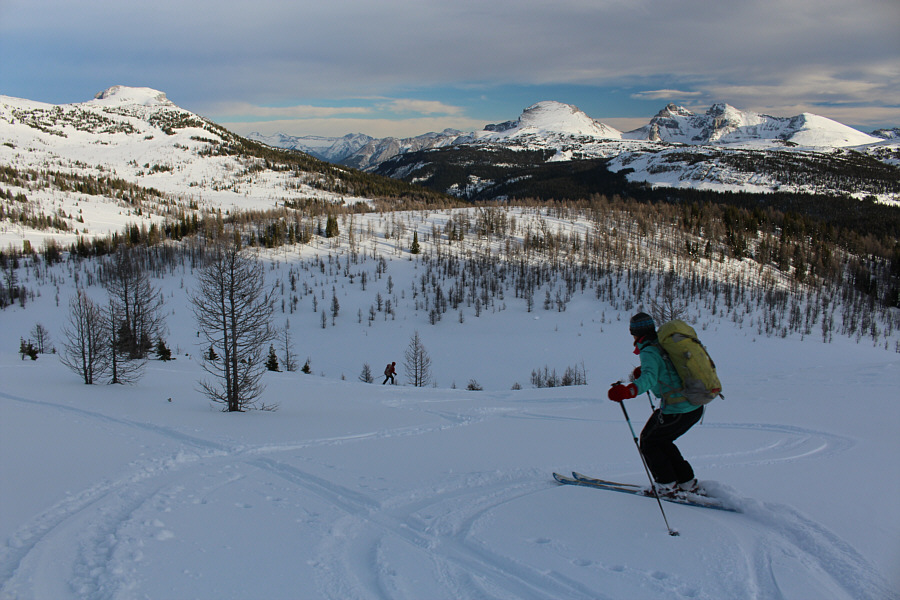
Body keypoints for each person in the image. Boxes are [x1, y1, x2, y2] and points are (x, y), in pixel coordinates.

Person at [607, 312, 704, 495]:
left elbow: (650, 378)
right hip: (693, 406)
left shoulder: (649, 351)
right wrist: (644, 371)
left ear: (635, 333)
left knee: (648, 442)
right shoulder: (663, 343)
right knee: (661, 440)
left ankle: (666, 484)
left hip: (678, 409)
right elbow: (667, 370)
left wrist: (628, 391)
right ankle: (686, 482)